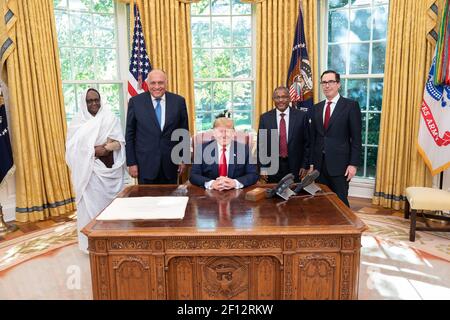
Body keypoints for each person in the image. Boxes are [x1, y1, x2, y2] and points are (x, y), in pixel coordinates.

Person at [66, 88, 126, 253]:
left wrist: (106, 147)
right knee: (88, 208)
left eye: (96, 100)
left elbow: (119, 141)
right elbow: (71, 149)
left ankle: (113, 242)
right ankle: (89, 245)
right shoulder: (78, 122)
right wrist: (92, 151)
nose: (94, 103)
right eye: (90, 101)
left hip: (107, 169)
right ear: (84, 103)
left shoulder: (110, 117)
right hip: (88, 172)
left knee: (110, 208)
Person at [125, 69, 189, 184]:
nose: (157, 86)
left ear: (166, 83)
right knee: (146, 201)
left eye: (160, 82)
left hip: (171, 164)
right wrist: (131, 162)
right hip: (145, 165)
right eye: (153, 83)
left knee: (171, 201)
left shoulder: (178, 101)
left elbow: (183, 132)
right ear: (147, 84)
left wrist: (183, 159)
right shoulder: (136, 102)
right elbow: (130, 134)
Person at [310, 70, 362, 207]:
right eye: (324, 82)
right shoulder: (316, 108)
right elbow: (313, 138)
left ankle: (346, 228)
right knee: (321, 202)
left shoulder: (350, 106)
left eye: (331, 82)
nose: (327, 86)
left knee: (341, 203)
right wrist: (311, 163)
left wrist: (353, 164)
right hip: (319, 166)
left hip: (340, 166)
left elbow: (356, 138)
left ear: (338, 84)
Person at [257, 86, 310, 183]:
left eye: (284, 97)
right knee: (274, 196)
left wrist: (305, 165)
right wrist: (263, 167)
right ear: (273, 99)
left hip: (296, 167)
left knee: (294, 196)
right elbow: (262, 145)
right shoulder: (265, 118)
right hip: (272, 166)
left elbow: (307, 143)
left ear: (289, 98)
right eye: (277, 97)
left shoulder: (301, 116)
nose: (281, 100)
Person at [190, 117, 258, 190]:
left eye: (228, 131)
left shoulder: (244, 149)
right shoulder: (202, 149)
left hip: (236, 194)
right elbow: (193, 175)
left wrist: (235, 183)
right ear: (214, 133)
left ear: (233, 133)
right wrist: (211, 183)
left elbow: (253, 174)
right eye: (220, 131)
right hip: (210, 193)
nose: (224, 135)